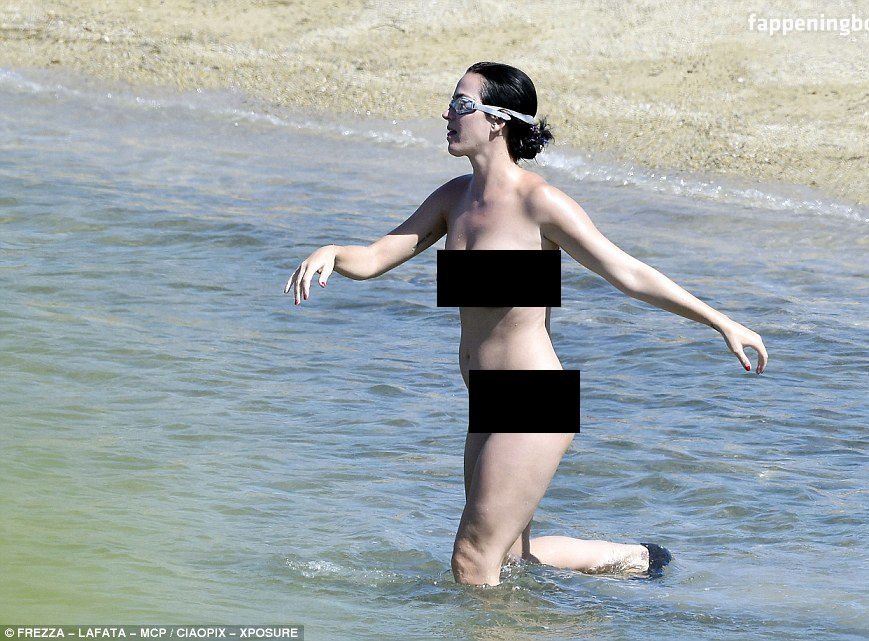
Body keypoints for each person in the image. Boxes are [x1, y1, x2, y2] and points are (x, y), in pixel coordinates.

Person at [285, 61, 768, 587]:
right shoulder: (453, 199)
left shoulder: (539, 202)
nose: (447, 114)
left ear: (497, 120)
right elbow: (377, 257)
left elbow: (627, 272)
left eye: (461, 104)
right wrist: (333, 251)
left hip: (533, 400)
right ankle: (636, 560)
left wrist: (721, 322)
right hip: (486, 402)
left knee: (472, 559)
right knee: (508, 558)